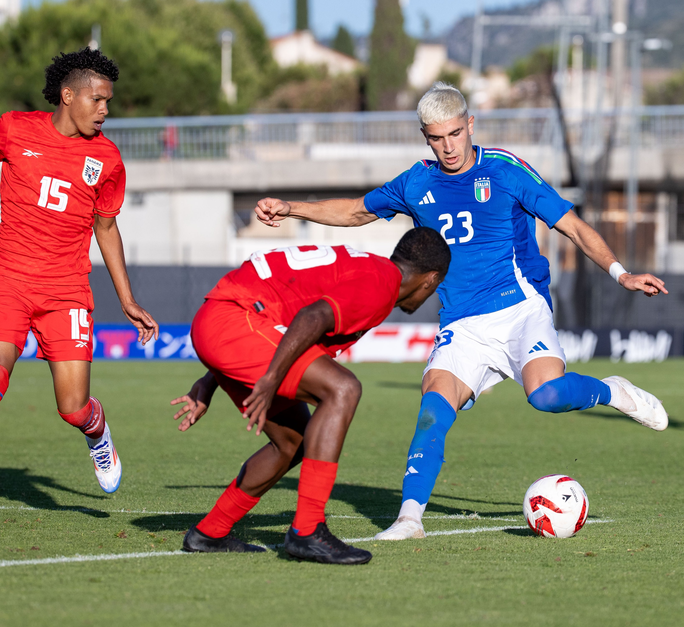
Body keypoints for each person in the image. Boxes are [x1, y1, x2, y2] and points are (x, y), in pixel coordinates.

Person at [253, 82, 670, 541]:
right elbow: (355, 211)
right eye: (436, 137)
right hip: (460, 323)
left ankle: (611, 392)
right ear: (424, 136)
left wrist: (621, 273)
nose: (448, 146)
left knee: (547, 396)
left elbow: (572, 225)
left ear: (470, 124)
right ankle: (409, 519)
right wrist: (291, 208)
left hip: (520, 309)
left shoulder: (507, 171)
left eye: (455, 133)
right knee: (432, 409)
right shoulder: (416, 182)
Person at [170, 228, 450, 564]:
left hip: (227, 321)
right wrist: (271, 378)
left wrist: (210, 379)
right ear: (431, 280)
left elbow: (281, 312)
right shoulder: (381, 283)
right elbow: (311, 317)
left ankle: (210, 532)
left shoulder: (372, 271)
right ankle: (307, 530)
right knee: (343, 389)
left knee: (293, 441)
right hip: (233, 320)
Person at [0, 47, 158, 493]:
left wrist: (127, 299)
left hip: (65, 292)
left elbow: (106, 228)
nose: (105, 110)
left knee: (73, 408)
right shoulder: (14, 128)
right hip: (7, 281)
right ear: (68, 95)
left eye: (109, 101)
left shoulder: (106, 160)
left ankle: (99, 437)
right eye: (98, 100)